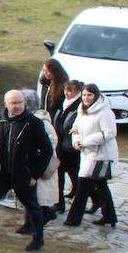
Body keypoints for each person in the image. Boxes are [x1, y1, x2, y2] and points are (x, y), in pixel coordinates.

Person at [0, 90, 53, 253]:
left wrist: (34, 174)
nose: (18, 106)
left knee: (32, 206)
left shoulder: (34, 123)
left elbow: (46, 151)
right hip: (1, 173)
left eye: (20, 102)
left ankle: (38, 238)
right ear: (6, 104)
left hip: (23, 175)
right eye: (14, 103)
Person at [64, 83, 120, 228]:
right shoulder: (82, 110)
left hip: (100, 156)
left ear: (95, 95)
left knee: (82, 188)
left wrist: (86, 141)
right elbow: (76, 128)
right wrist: (76, 142)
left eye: (89, 95)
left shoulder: (104, 112)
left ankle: (73, 220)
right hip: (87, 155)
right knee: (101, 186)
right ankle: (109, 216)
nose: (86, 98)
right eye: (84, 95)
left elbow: (109, 133)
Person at [16, 91, 61, 231]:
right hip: (28, 164)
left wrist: (35, 152)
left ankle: (34, 223)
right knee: (31, 197)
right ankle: (31, 223)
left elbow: (52, 141)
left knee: (38, 198)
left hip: (39, 166)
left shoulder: (41, 122)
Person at [52, 80, 85, 214]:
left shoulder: (79, 106)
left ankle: (95, 198)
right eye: (65, 90)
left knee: (75, 175)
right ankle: (59, 202)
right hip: (61, 147)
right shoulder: (64, 103)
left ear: (77, 92)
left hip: (71, 148)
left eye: (70, 90)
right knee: (61, 174)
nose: (66, 93)